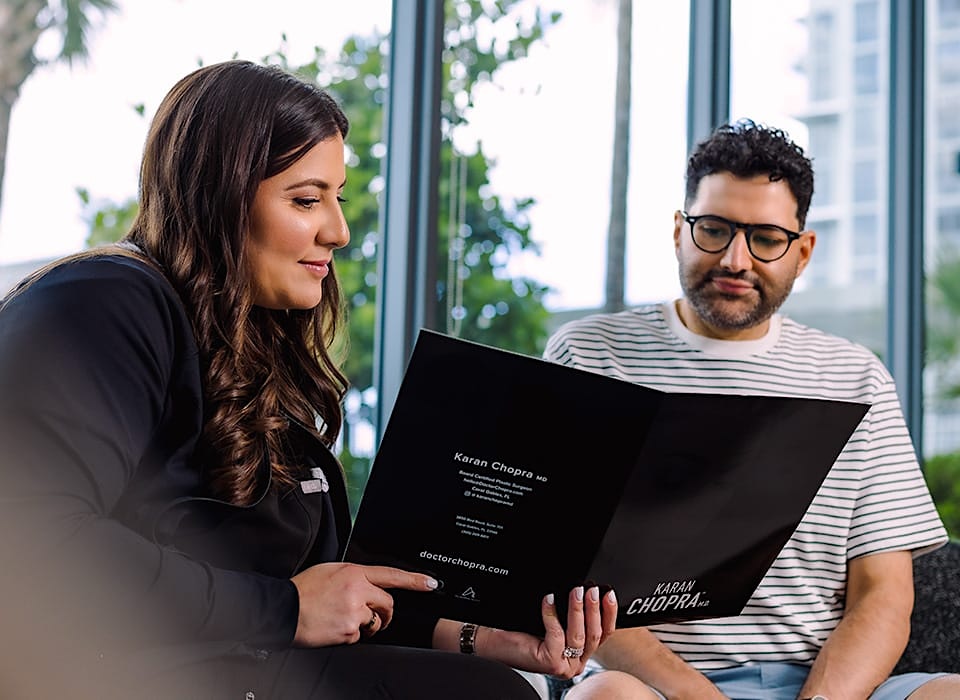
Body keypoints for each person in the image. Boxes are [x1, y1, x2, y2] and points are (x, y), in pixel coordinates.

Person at [0, 59, 618, 700]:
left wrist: (485, 638)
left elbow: (320, 601)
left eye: (337, 197)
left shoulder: (252, 352)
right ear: (220, 197)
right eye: (305, 199)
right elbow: (30, 544)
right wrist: (286, 610)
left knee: (509, 684)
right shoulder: (101, 303)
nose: (339, 231)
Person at [544, 120, 960, 700]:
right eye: (713, 230)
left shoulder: (857, 375)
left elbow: (883, 595)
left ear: (803, 250)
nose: (735, 259)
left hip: (827, 688)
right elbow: (567, 572)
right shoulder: (589, 355)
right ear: (678, 232)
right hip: (648, 687)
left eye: (765, 238)